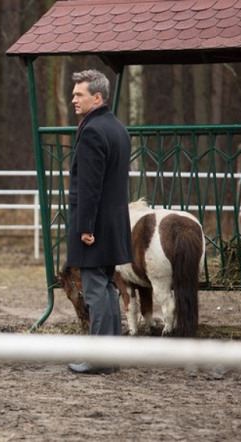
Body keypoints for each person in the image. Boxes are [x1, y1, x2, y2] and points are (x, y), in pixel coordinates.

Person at [65, 70, 133, 375]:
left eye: (79, 94)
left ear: (97, 97)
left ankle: (99, 359)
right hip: (114, 224)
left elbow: (90, 186)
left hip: (95, 226)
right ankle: (111, 357)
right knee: (107, 288)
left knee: (96, 289)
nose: (73, 99)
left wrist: (86, 228)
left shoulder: (93, 131)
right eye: (74, 93)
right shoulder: (118, 128)